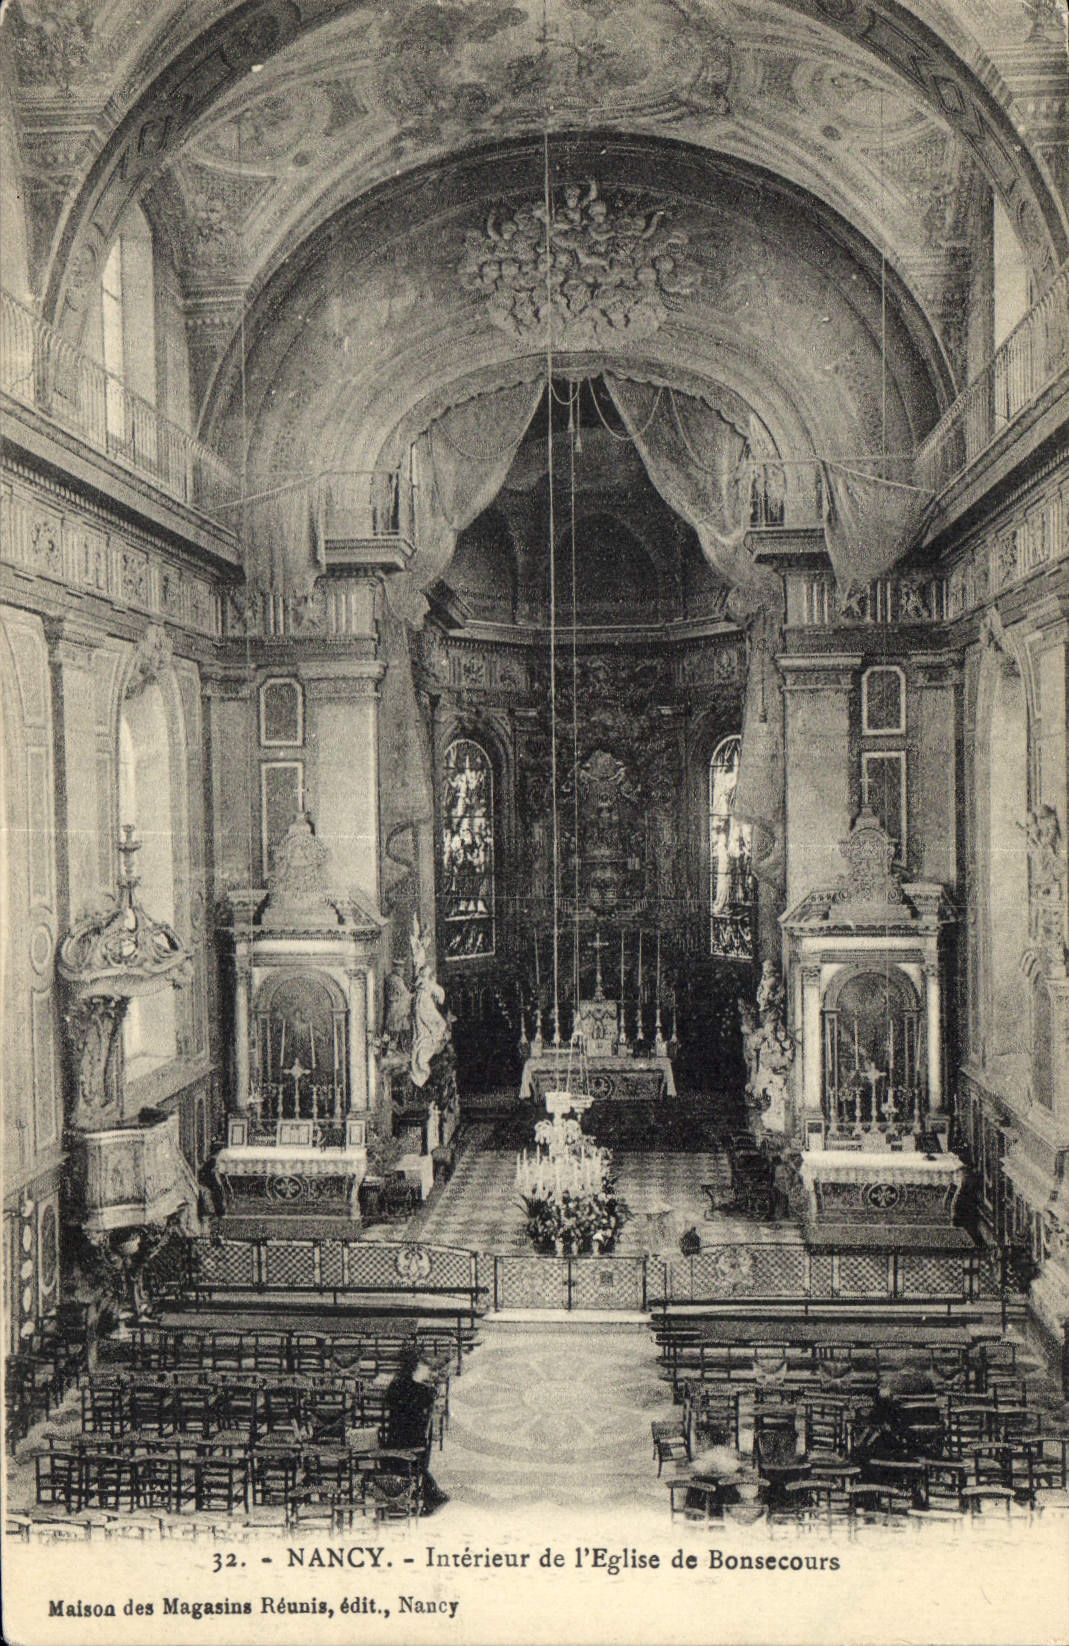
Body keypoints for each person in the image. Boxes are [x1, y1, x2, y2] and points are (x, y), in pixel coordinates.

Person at [383, 1347, 449, 1514]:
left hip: (396, 1440)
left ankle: (400, 1495)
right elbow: (432, 1395)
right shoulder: (421, 1390)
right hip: (416, 1439)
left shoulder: (395, 1387)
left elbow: (387, 1401)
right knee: (416, 1465)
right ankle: (429, 1495)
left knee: (392, 1460)